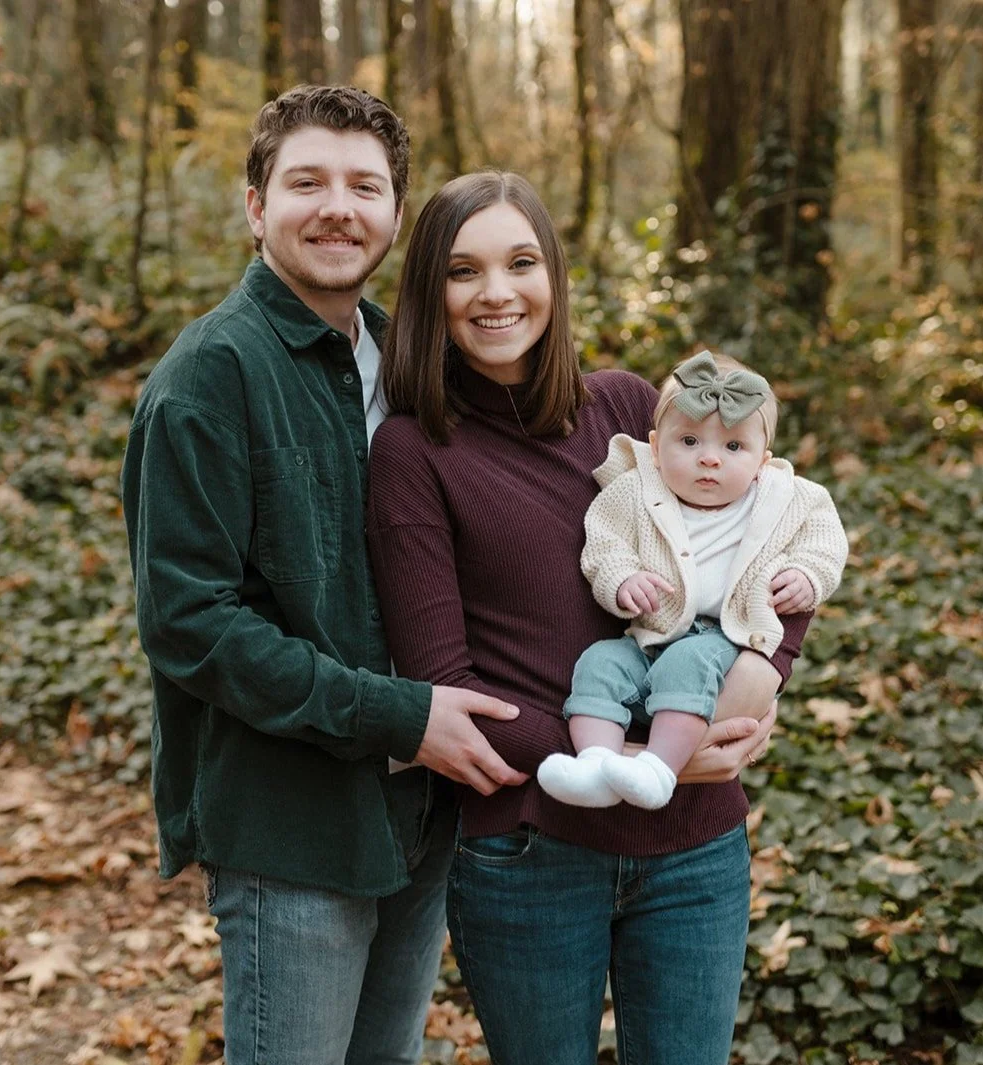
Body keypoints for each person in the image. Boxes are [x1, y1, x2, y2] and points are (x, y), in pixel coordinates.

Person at [366, 171, 815, 1065]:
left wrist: (753, 687)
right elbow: (446, 685)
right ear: (430, 292)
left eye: (520, 262)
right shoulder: (413, 453)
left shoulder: (623, 406)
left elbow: (770, 526)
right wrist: (627, 764)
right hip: (531, 849)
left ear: (552, 277)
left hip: (693, 848)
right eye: (464, 271)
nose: (497, 292)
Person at [120, 87, 528, 1065]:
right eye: (307, 182)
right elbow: (190, 623)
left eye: (365, 186)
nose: (338, 207)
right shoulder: (211, 373)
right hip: (294, 831)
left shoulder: (415, 359)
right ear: (256, 205)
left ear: (395, 211)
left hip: (421, 817)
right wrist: (398, 716)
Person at [537, 351, 848, 811]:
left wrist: (807, 575)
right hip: (647, 634)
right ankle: (596, 764)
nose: (709, 460)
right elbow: (603, 545)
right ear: (656, 447)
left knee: (690, 659)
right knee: (599, 662)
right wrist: (622, 580)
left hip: (725, 634)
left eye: (733, 447)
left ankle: (658, 768)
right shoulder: (634, 491)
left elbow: (824, 542)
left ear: (763, 460)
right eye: (688, 441)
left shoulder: (787, 497)